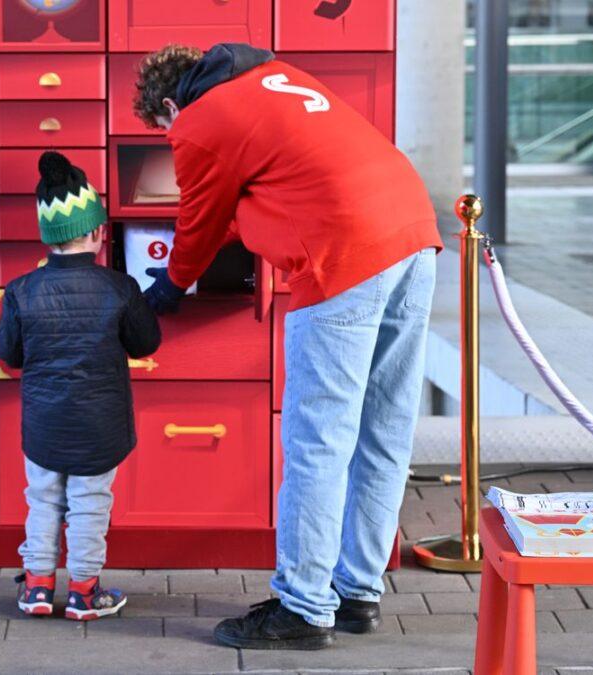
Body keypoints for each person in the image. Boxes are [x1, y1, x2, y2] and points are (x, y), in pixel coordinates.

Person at [133, 43, 443, 650]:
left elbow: (197, 221)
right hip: (411, 232)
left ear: (170, 106)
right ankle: (357, 593)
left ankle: (303, 608)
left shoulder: (197, 121)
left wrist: (168, 286)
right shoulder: (272, 77)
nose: (174, 141)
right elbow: (256, 190)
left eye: (164, 130)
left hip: (344, 253)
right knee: (383, 429)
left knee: (317, 440)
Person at [0, 151, 162, 621]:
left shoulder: (22, 290)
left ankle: (37, 588)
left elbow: (9, 353)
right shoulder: (120, 287)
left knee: (43, 499)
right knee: (89, 503)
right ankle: (85, 593)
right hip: (100, 424)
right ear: (95, 231)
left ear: (49, 237)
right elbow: (146, 340)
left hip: (45, 425)